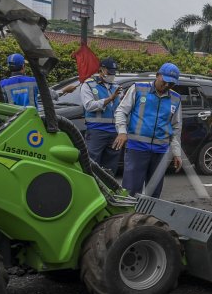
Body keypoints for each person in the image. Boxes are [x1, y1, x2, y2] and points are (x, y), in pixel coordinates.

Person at [113, 62, 183, 197]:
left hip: (160, 151)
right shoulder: (138, 89)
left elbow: (176, 127)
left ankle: (148, 218)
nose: (167, 86)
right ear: (157, 76)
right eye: (165, 82)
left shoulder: (175, 98)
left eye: (172, 84)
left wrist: (176, 152)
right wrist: (122, 131)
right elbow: (121, 111)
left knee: (154, 193)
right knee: (131, 190)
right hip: (136, 148)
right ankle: (128, 217)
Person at [78, 57, 122, 175]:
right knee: (92, 164)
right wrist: (109, 99)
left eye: (114, 72)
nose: (112, 75)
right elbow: (89, 106)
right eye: (109, 72)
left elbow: (120, 109)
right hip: (97, 130)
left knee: (111, 166)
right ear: (101, 70)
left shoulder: (115, 86)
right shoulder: (88, 85)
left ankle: (108, 190)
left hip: (114, 132)